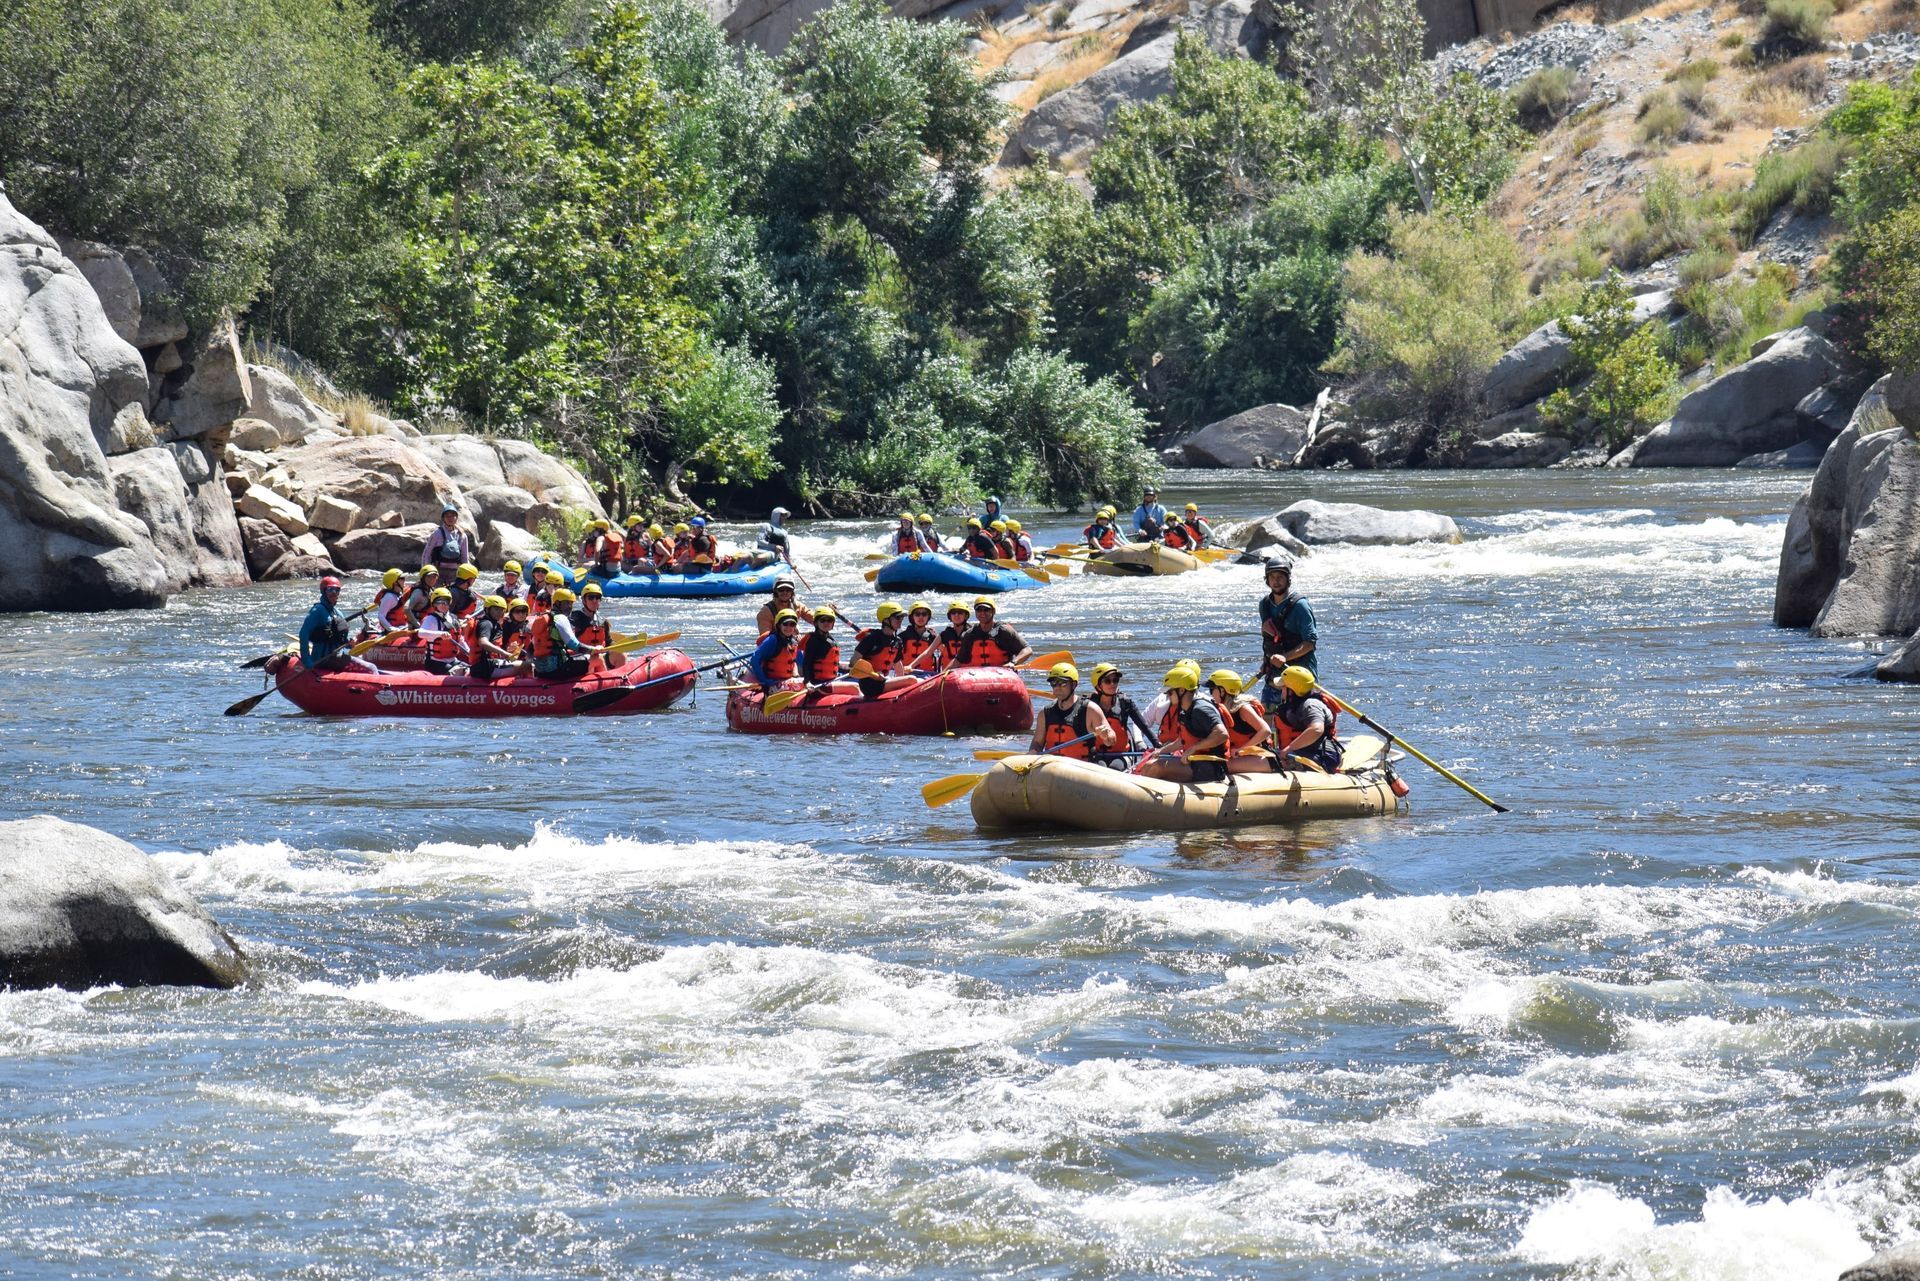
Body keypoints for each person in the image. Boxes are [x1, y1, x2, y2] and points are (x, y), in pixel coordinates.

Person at [1138, 665, 1229, 783]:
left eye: (1170, 692)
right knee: (1148, 766)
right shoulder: (1185, 710)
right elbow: (1182, 740)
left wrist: (1193, 749)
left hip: (1211, 766)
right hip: (1195, 762)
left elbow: (1222, 734)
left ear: (1181, 690)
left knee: (1156, 767)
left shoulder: (1201, 709)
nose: (1167, 696)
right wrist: (1161, 751)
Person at [1258, 557, 1318, 713]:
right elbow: (1269, 636)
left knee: (1295, 721)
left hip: (1300, 677)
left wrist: (1285, 657)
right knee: (1267, 720)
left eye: (1280, 577)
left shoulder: (1300, 606)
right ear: (1267, 580)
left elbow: (1310, 642)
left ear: (1288, 579)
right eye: (1272, 577)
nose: (1276, 581)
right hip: (1275, 675)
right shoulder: (1264, 604)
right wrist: (1267, 661)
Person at [1027, 662, 1113, 760]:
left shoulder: (1090, 710)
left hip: (1081, 767)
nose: (1057, 687)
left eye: (1062, 683)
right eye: (1053, 683)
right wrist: (1033, 752)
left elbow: (1111, 740)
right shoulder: (1045, 713)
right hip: (1052, 767)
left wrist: (1106, 736)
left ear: (1073, 685)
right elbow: (1037, 742)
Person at [1270, 665, 1344, 773]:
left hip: (1322, 757)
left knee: (1270, 763)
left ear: (1292, 691)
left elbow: (1316, 729)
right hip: (1302, 753)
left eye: (1283, 687)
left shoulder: (1310, 705)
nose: (1282, 691)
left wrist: (1289, 749)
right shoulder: (1293, 705)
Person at [300, 577, 379, 673]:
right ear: (323, 591)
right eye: (330, 590)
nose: (334, 593)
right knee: (371, 668)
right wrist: (307, 661)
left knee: (369, 666)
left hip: (336, 658)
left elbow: (342, 641)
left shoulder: (338, 613)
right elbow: (303, 635)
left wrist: (350, 643)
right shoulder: (317, 611)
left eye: (337, 590)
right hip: (321, 660)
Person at [1207, 669, 1275, 776]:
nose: (1210, 694)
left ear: (1223, 691)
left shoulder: (1243, 708)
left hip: (1262, 757)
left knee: (1220, 767)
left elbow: (1265, 730)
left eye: (1212, 689)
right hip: (1242, 757)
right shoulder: (1223, 708)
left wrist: (1241, 750)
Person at [531, 587, 605, 680]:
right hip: (559, 669)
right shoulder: (560, 618)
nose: (569, 606)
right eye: (566, 603)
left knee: (582, 659)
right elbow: (574, 645)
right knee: (597, 658)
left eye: (571, 603)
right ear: (557, 603)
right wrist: (593, 649)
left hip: (540, 671)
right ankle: (607, 684)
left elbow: (532, 646)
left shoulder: (542, 618)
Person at [851, 603, 920, 698]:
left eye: (901, 618)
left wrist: (900, 683)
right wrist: (873, 675)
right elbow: (853, 661)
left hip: (884, 681)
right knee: (912, 679)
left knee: (919, 681)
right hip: (869, 684)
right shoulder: (871, 638)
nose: (900, 620)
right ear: (886, 620)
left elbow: (897, 664)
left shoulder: (897, 641)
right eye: (897, 617)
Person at [1087, 662, 1152, 761]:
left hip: (1121, 754)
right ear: (1099, 686)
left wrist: (1158, 746)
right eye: (1108, 681)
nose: (1113, 684)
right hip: (1098, 754)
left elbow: (1144, 726)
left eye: (1115, 680)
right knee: (1100, 766)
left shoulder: (1125, 702)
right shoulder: (1088, 704)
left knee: (1115, 768)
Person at [960, 597, 1032, 667]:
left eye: (986, 610)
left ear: (993, 611)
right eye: (979, 610)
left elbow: (1027, 649)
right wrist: (948, 671)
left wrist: (1013, 662)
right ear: (975, 612)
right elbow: (958, 659)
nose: (982, 613)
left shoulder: (1004, 631)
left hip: (1003, 674)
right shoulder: (970, 634)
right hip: (979, 675)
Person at [466, 596, 522, 680]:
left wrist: (508, 650)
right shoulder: (487, 623)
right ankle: (535, 691)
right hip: (485, 667)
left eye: (501, 610)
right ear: (487, 610)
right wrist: (505, 653)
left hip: (485, 665)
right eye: (496, 609)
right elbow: (483, 642)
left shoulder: (494, 623)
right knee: (527, 666)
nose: (499, 612)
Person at [417, 586, 467, 675]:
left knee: (469, 670)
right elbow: (421, 633)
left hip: (453, 660)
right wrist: (439, 634)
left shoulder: (454, 618)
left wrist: (469, 652)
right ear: (434, 604)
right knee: (457, 673)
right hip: (436, 663)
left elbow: (460, 639)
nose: (444, 604)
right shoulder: (431, 619)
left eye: (446, 602)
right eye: (440, 602)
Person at [748, 608, 802, 690]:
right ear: (779, 625)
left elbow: (800, 661)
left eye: (792, 624)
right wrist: (764, 681)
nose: (788, 627)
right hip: (773, 682)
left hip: (788, 680)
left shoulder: (793, 642)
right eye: (785, 624)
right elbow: (755, 659)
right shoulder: (772, 640)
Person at [571, 581, 620, 670]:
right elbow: (569, 642)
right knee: (596, 658)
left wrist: (617, 646)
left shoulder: (602, 621)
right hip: (582, 657)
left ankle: (621, 680)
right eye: (591, 597)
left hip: (601, 655)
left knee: (620, 653)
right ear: (583, 600)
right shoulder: (575, 619)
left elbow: (608, 642)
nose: (594, 600)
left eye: (597, 597)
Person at [422, 504, 471, 581]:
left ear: (456, 518)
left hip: (456, 573)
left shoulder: (462, 536)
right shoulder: (437, 534)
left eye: (452, 516)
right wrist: (425, 572)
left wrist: (468, 575)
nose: (450, 518)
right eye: (447, 516)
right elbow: (426, 554)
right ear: (443, 519)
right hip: (438, 572)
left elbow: (465, 558)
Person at [898, 601, 938, 671]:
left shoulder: (933, 636)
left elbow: (944, 653)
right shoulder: (903, 636)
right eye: (917, 614)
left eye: (924, 614)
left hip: (927, 674)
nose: (921, 617)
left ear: (928, 617)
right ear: (912, 617)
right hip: (907, 672)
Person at [374, 567, 410, 633]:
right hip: (392, 627)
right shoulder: (389, 597)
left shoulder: (399, 593)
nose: (404, 580)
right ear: (395, 583)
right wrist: (391, 628)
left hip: (401, 626)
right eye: (402, 579)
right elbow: (381, 616)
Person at [936, 601, 971, 668]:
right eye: (953, 613)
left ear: (966, 616)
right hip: (947, 674)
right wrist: (911, 665)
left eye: (960, 613)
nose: (956, 615)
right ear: (950, 616)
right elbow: (928, 652)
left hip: (967, 673)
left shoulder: (972, 633)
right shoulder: (945, 634)